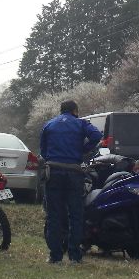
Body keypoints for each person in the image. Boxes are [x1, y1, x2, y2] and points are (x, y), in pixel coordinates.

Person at [40, 100, 102, 264]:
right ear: (75, 110)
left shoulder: (49, 124)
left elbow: (43, 150)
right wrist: (82, 150)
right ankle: (75, 255)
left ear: (61, 111)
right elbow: (97, 136)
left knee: (53, 214)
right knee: (75, 214)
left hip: (53, 171)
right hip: (74, 172)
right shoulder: (81, 123)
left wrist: (53, 157)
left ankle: (55, 256)